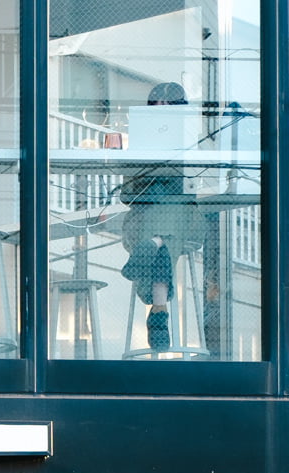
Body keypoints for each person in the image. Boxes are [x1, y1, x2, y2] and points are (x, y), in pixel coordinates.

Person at [120, 81, 202, 352]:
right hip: (145, 219)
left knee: (167, 213)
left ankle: (150, 247)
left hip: (184, 220)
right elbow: (126, 194)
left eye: (168, 105)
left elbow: (190, 189)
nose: (161, 109)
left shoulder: (191, 144)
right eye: (156, 105)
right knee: (162, 238)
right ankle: (159, 309)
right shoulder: (138, 145)